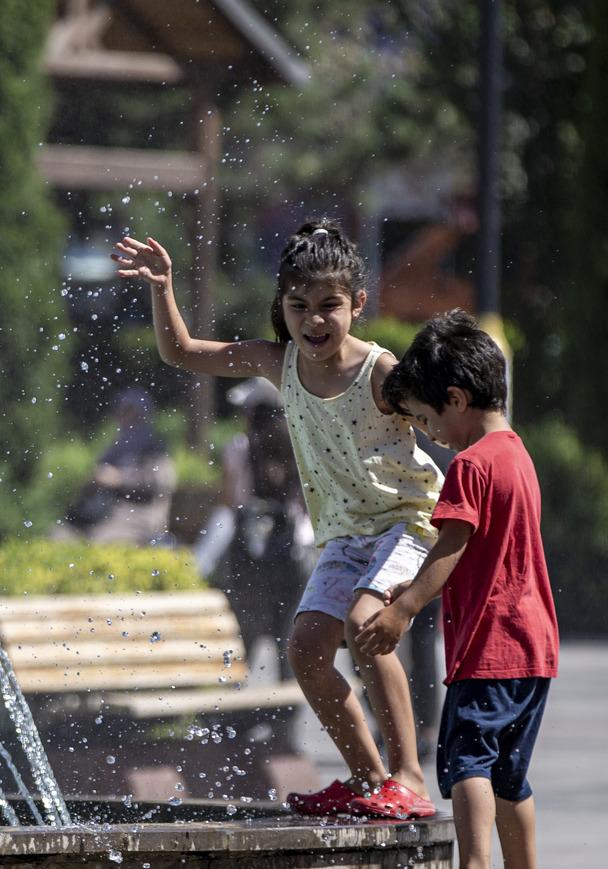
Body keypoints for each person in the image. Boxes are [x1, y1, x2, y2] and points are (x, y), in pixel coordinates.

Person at [113, 220, 441, 819]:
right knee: (306, 649)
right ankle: (368, 780)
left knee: (368, 623)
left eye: (329, 306)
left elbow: (445, 424)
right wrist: (163, 288)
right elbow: (182, 352)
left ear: (357, 304)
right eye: (299, 306)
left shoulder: (381, 372)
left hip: (405, 521)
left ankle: (410, 777)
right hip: (345, 535)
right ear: (282, 308)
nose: (314, 321)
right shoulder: (278, 364)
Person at [356, 311, 558, 867]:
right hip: (534, 648)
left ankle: (472, 863)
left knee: (468, 759)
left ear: (456, 399)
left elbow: (452, 546)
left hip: (490, 648)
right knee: (510, 775)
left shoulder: (469, 465)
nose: (428, 433)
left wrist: (406, 609)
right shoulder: (517, 454)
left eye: (425, 418)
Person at [196, 379, 313, 682]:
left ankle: (237, 716)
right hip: (292, 552)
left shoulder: (240, 446)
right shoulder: (298, 446)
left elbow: (230, 499)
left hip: (249, 552)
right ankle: (285, 724)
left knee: (243, 635)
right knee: (287, 636)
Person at [56, 387, 175, 545]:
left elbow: (162, 481)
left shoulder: (155, 447)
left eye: (132, 411)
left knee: (101, 541)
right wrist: (93, 481)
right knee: (59, 535)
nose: (126, 417)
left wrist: (120, 478)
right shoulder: (118, 446)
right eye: (123, 411)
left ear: (143, 413)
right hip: (105, 515)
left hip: (139, 518)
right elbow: (98, 474)